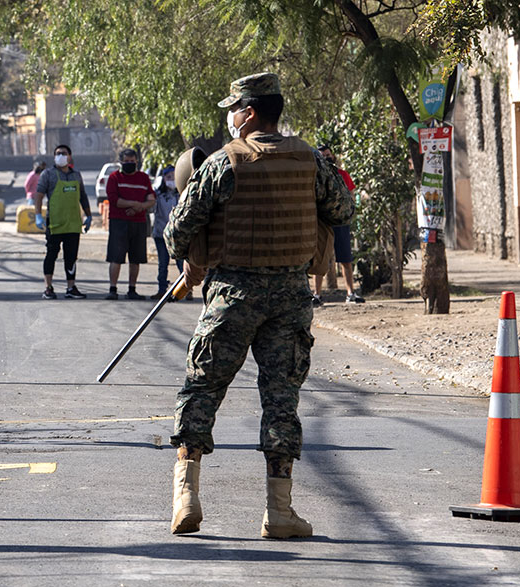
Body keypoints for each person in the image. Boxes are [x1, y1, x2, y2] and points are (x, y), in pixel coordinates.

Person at [164, 73, 354, 538]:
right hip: (290, 299)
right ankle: (280, 512)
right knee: (281, 401)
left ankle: (186, 497)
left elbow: (178, 228)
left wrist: (190, 257)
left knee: (202, 389)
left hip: (231, 296)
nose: (230, 116)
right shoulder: (309, 160)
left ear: (248, 114)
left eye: (234, 108)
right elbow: (343, 211)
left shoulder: (224, 163)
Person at [34, 144, 92, 299]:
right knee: (51, 255)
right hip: (54, 224)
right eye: (58, 153)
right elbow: (38, 195)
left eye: (64, 153)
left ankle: (71, 287)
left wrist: (88, 215)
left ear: (70, 156)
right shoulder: (48, 174)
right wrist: (38, 215)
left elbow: (83, 196)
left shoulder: (76, 175)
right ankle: (48, 287)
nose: (60, 156)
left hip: (73, 224)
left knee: (71, 256)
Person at [313, 144, 365, 306]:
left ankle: (350, 293)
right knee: (320, 260)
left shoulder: (343, 175)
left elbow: (351, 195)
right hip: (322, 223)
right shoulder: (315, 177)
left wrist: (348, 213)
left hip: (340, 221)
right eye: (323, 155)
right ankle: (316, 294)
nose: (327, 157)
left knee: (345, 259)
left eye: (328, 155)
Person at [105, 148, 155, 300]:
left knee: (136, 258)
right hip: (119, 222)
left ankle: (132, 289)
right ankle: (113, 289)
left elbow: (151, 199)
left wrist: (139, 207)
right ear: (120, 162)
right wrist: (135, 204)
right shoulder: (114, 178)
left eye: (132, 161)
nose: (129, 164)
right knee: (116, 257)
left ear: (137, 162)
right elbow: (114, 200)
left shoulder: (143, 178)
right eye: (126, 161)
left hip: (138, 223)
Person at [151, 165, 184, 299]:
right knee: (163, 263)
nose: (171, 180)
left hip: (178, 235)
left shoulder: (182, 195)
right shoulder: (158, 195)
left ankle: (185, 290)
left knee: (181, 263)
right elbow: (151, 209)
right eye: (168, 177)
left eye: (173, 177)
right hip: (161, 234)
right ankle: (162, 289)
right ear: (163, 178)